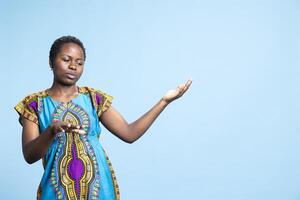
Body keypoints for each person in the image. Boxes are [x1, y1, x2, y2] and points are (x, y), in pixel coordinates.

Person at [14, 35, 192, 200]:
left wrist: (164, 102)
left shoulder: (94, 98)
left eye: (80, 62)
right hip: (56, 190)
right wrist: (51, 131)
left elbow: (129, 134)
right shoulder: (34, 104)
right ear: (51, 61)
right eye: (66, 60)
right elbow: (29, 155)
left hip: (99, 190)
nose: (73, 66)